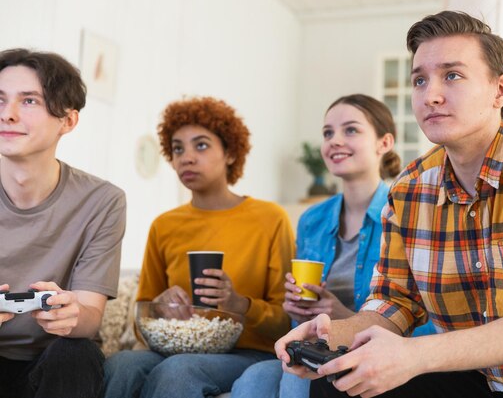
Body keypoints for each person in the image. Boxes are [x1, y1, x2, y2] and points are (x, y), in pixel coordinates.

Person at [276, 11, 503, 398]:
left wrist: (415, 355)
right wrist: (328, 332)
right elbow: (393, 305)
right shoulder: (409, 188)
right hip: (481, 375)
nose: (431, 95)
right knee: (344, 377)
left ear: (501, 90)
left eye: (452, 75)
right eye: (420, 80)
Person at [231, 94, 436, 398]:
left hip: (372, 351)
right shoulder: (312, 219)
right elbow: (301, 315)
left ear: (384, 142)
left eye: (350, 130)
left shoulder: (408, 214)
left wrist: (343, 315)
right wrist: (298, 309)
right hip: (316, 346)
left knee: (299, 380)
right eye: (328, 133)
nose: (335, 140)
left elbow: (429, 323)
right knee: (253, 380)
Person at [104, 96, 295, 398]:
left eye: (201, 145)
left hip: (249, 353)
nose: (186, 157)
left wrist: (237, 304)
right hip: (178, 347)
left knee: (179, 370)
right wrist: (160, 308)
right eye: (178, 148)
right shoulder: (164, 225)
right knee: (121, 364)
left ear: (230, 153)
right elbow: (141, 323)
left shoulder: (271, 219)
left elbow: (286, 322)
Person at [0, 48, 126, 398]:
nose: (7, 115)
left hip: (52, 361)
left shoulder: (102, 201)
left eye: (28, 101)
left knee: (76, 351)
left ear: (68, 121)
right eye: (0, 99)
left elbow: (89, 316)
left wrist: (71, 315)